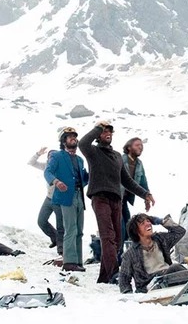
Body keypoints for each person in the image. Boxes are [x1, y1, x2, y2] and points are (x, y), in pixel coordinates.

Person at [79, 121, 156, 284]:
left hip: (116, 200)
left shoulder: (116, 156)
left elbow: (126, 180)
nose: (108, 133)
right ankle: (114, 273)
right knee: (108, 237)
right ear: (98, 135)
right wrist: (98, 127)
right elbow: (83, 143)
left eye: (110, 132)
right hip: (100, 197)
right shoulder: (93, 151)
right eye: (104, 131)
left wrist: (145, 194)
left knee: (118, 239)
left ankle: (104, 277)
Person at [44, 127, 89, 271]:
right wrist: (56, 182)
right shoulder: (57, 156)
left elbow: (83, 179)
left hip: (79, 196)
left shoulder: (80, 160)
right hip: (65, 197)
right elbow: (47, 172)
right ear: (64, 141)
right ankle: (69, 262)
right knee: (71, 228)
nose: (73, 139)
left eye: (74, 137)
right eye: (69, 137)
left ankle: (78, 261)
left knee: (80, 230)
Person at [118, 214, 187, 294]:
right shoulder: (130, 254)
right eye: (142, 223)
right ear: (136, 230)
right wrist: (130, 297)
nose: (148, 224)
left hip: (168, 277)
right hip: (150, 287)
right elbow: (124, 279)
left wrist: (161, 221)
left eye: (148, 221)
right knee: (175, 267)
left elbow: (180, 232)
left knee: (178, 269)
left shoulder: (160, 239)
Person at [28, 146, 64, 254]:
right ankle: (54, 238)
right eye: (49, 156)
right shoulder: (46, 166)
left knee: (60, 225)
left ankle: (61, 249)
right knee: (41, 221)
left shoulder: (61, 168)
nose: (51, 158)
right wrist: (38, 153)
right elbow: (31, 162)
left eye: (53, 156)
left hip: (59, 199)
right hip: (48, 198)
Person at [120, 137, 150, 246]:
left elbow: (143, 181)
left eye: (141, 145)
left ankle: (126, 253)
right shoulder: (120, 159)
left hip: (125, 200)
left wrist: (147, 197)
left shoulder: (139, 164)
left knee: (128, 225)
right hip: (116, 198)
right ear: (129, 147)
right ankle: (118, 256)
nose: (140, 147)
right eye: (137, 145)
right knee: (120, 227)